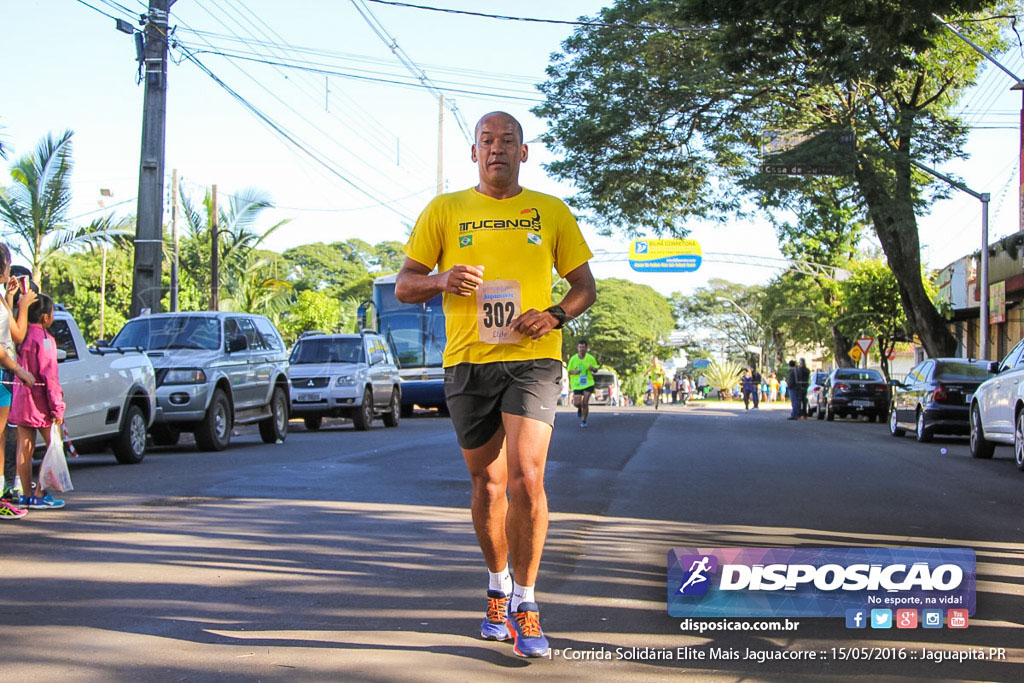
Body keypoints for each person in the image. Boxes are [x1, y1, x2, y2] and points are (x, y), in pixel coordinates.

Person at [394, 111, 596, 658]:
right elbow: (404, 285)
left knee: (527, 478)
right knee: (488, 484)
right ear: (475, 152)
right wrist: (440, 278)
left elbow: (584, 286)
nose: (497, 149)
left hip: (533, 359)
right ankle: (497, 585)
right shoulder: (445, 210)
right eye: (487, 141)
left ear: (524, 153)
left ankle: (528, 603)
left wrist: (553, 315)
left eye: (508, 141)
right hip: (467, 362)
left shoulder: (550, 211)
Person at [12, 294, 65, 510]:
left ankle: (25, 495)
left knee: (24, 449)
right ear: (45, 317)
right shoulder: (44, 339)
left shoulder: (21, 336)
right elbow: (50, 376)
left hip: (20, 397)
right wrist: (57, 407)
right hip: (41, 401)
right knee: (55, 444)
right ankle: (40, 493)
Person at [0, 247, 38, 520]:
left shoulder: (1, 300)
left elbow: (16, 333)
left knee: (1, 438)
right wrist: (18, 370)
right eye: (7, 263)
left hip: (5, 375)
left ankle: (3, 494)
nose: (9, 270)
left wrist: (14, 301)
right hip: (4, 371)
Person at [567, 339, 598, 427]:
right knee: (577, 403)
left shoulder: (590, 358)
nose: (581, 349)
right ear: (577, 348)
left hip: (588, 382)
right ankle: (579, 408)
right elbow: (569, 371)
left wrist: (592, 368)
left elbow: (596, 369)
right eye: (580, 347)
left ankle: (584, 420)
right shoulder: (573, 359)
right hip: (577, 384)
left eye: (583, 347)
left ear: (586, 348)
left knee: (585, 402)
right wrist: (575, 371)